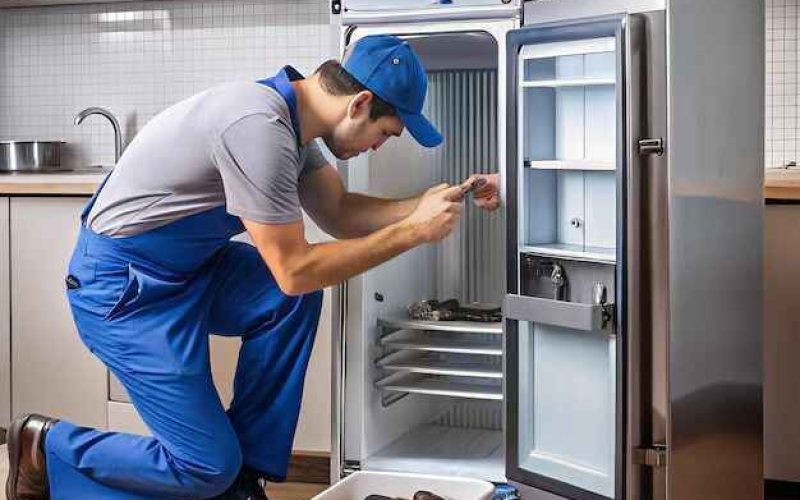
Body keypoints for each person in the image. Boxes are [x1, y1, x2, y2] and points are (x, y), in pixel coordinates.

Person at [4, 35, 499, 500]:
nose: (379, 146)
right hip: (124, 290)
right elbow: (295, 268)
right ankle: (47, 447)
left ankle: (242, 479)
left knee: (293, 302)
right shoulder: (258, 129)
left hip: (189, 270)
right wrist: (414, 232)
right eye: (385, 134)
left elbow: (340, 212)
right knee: (203, 467)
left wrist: (427, 204)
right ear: (360, 104)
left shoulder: (289, 120)